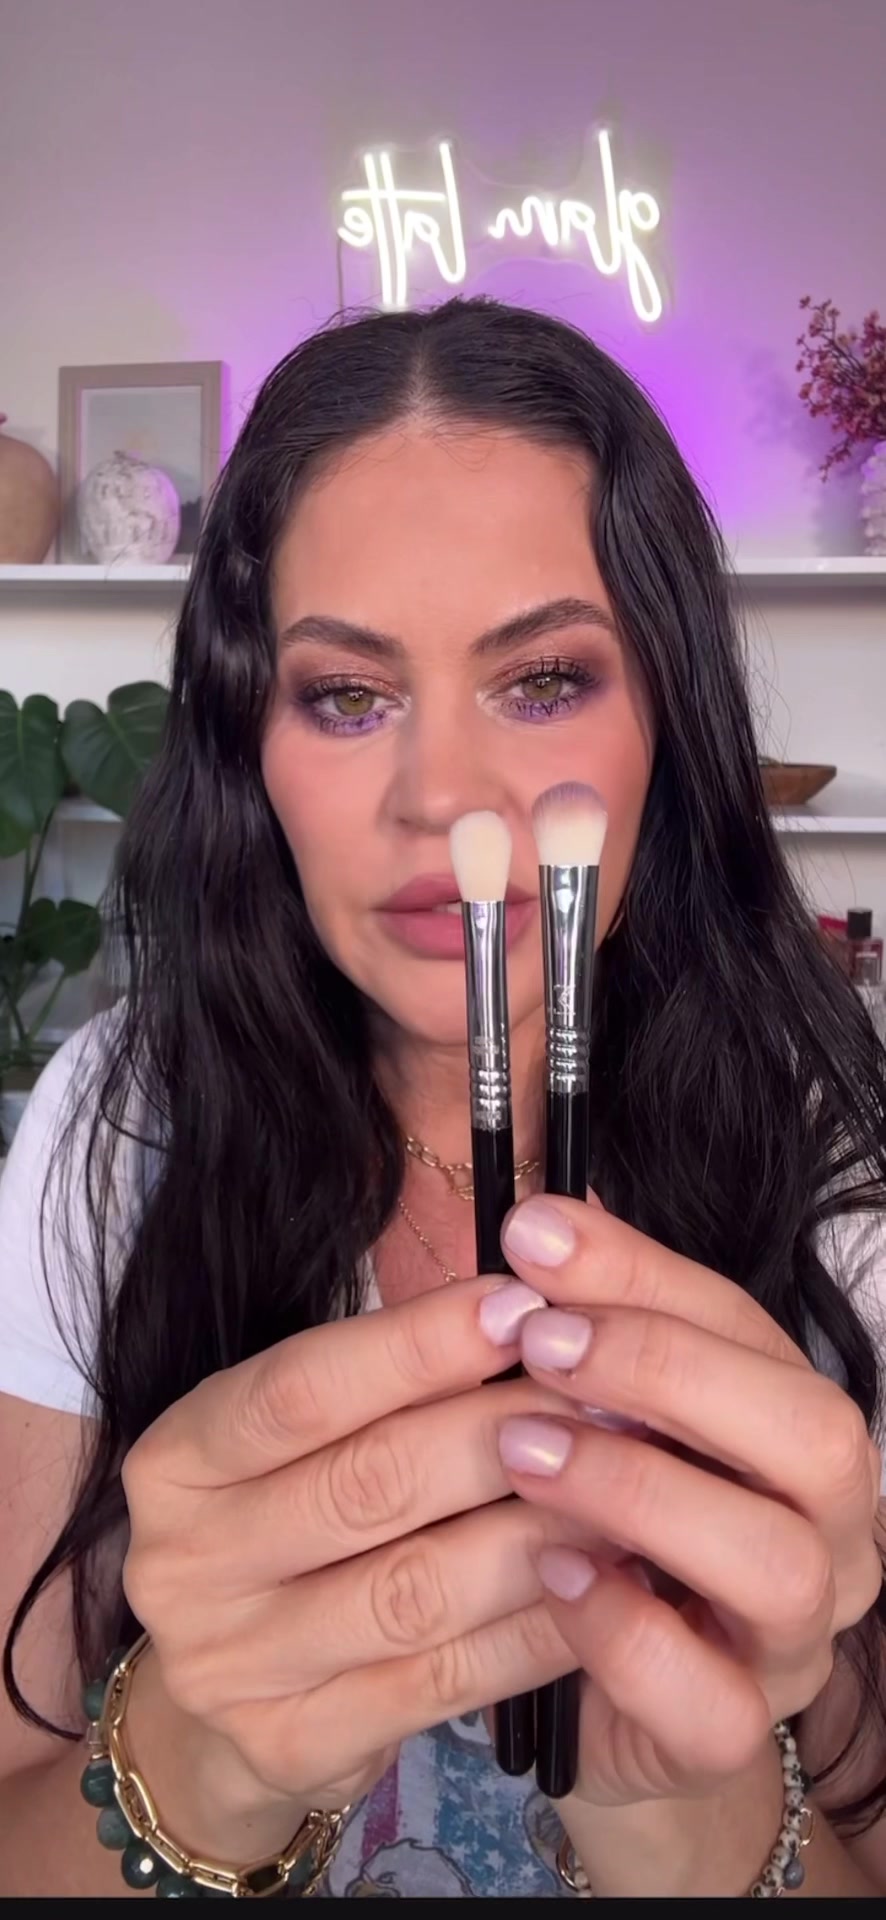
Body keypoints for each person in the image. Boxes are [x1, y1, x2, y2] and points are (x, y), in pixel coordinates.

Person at [0, 297, 884, 1900]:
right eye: (346, 696)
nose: (441, 796)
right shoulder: (116, 1125)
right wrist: (200, 1762)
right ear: (247, 742)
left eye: (542, 679)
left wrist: (680, 1816)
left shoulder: (840, 1167)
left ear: (670, 717)